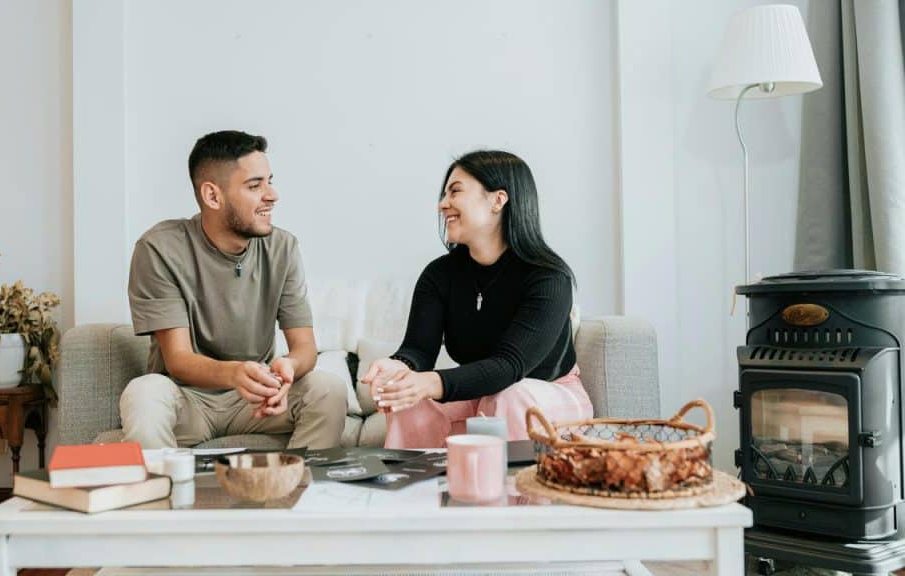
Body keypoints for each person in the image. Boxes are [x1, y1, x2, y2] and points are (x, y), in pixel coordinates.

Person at [121, 130, 346, 449]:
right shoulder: (159, 248)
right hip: (189, 401)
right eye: (255, 186)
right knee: (143, 393)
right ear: (213, 196)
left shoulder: (283, 248)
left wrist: (288, 369)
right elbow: (178, 359)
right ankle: (162, 495)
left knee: (328, 389)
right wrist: (234, 374)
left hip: (257, 404)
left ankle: (297, 490)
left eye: (269, 181)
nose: (272, 195)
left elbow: (305, 347)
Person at [361, 150, 592, 448]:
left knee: (512, 396)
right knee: (408, 397)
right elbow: (418, 350)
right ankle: (418, 490)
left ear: (498, 200)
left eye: (455, 191)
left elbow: (509, 365)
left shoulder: (548, 277)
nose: (442, 205)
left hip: (549, 393)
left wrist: (430, 383)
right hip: (483, 393)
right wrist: (400, 368)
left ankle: (512, 494)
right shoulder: (439, 275)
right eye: (444, 194)